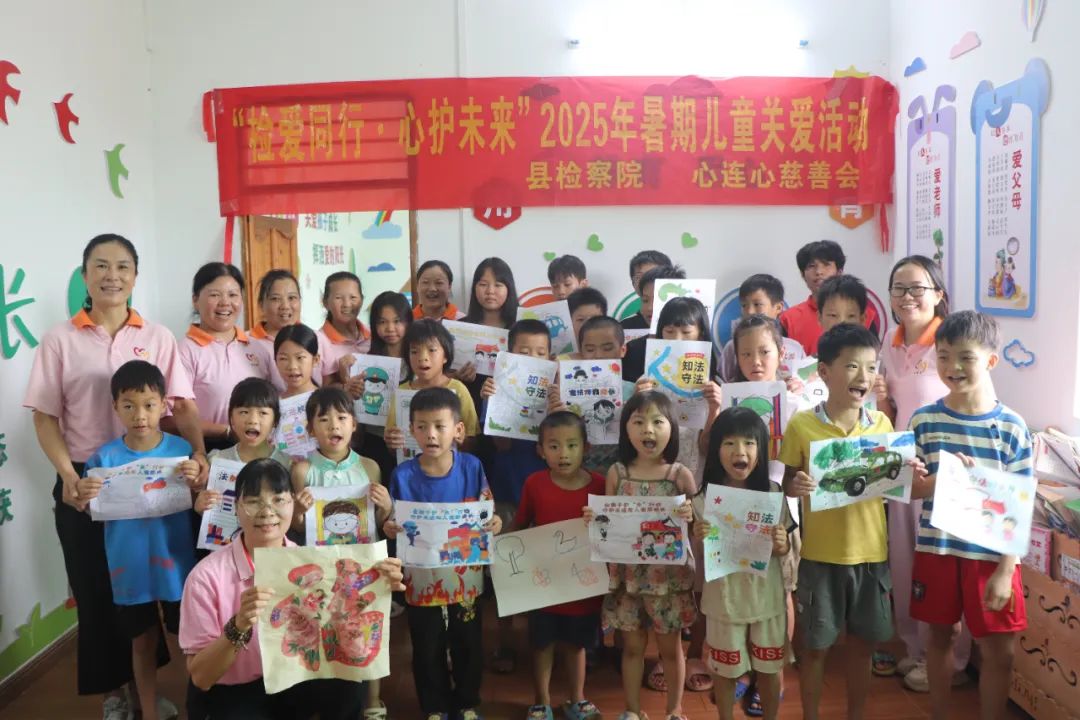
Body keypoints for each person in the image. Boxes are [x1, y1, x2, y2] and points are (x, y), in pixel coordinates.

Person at [24, 233, 206, 720]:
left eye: (122, 266)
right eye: (100, 266)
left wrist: (200, 454)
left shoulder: (159, 336)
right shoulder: (60, 339)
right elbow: (44, 416)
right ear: (84, 275)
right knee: (98, 592)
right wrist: (68, 476)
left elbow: (183, 406)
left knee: (157, 588)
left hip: (155, 478)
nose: (112, 275)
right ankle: (119, 694)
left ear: (135, 276)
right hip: (88, 481)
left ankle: (153, 690)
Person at [180, 458, 405, 719]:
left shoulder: (312, 565)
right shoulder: (206, 577)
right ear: (237, 508)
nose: (267, 511)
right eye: (253, 501)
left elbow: (343, 616)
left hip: (293, 678)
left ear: (293, 503)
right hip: (235, 689)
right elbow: (201, 678)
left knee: (351, 681)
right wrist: (238, 626)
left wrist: (378, 582)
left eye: (278, 500)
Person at [781, 323, 924, 720]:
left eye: (871, 366)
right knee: (815, 649)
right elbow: (787, 481)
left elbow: (896, 482)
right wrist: (796, 484)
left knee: (862, 649)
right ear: (824, 372)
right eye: (851, 366)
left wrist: (909, 469)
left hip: (871, 556)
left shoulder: (881, 426)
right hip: (819, 557)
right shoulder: (802, 425)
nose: (864, 376)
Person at [907, 311, 1030, 720]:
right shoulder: (924, 420)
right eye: (943, 356)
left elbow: (1019, 506)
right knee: (940, 637)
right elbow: (909, 489)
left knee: (1000, 651)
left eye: (965, 357)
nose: (952, 367)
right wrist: (942, 478)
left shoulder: (1012, 427)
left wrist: (1005, 570)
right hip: (937, 548)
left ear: (991, 361)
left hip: (992, 556)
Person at [75, 361, 200, 720]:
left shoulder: (181, 450)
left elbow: (199, 501)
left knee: (190, 638)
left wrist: (196, 479)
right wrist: (84, 495)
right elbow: (90, 509)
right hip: (129, 568)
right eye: (129, 405)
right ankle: (148, 711)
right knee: (142, 641)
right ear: (115, 407)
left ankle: (199, 706)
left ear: (164, 405)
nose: (140, 415)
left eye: (149, 405)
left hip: (177, 563)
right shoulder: (104, 459)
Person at [872, 256, 968, 690]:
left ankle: (951, 660)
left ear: (938, 294)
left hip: (943, 468)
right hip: (900, 465)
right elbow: (891, 412)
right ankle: (916, 648)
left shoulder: (950, 342)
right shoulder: (887, 344)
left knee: (942, 562)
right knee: (905, 560)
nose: (907, 297)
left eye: (917, 288)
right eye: (899, 288)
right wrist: (880, 399)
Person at [383, 388, 503, 720]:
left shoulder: (471, 467)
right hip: (421, 577)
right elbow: (392, 520)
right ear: (412, 429)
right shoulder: (403, 475)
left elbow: (486, 512)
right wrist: (390, 527)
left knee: (468, 641)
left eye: (439, 426)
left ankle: (466, 702)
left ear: (458, 430)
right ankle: (434, 706)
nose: (431, 434)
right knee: (426, 643)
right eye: (422, 427)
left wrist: (494, 522)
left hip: (465, 576)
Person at [584, 391, 697, 720]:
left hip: (668, 579)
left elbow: (699, 523)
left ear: (672, 428)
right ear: (626, 429)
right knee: (632, 647)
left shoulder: (679, 474)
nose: (648, 429)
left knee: (670, 649)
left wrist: (691, 514)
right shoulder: (618, 473)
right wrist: (595, 518)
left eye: (658, 422)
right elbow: (608, 523)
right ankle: (632, 710)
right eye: (639, 422)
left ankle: (674, 710)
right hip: (628, 576)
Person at [287, 387, 393, 719]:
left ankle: (373, 699)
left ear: (354, 425)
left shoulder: (370, 467)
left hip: (363, 565)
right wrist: (298, 511)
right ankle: (329, 691)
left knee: (368, 627)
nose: (334, 425)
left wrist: (386, 507)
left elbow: (379, 523)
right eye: (323, 419)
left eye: (342, 418)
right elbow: (296, 528)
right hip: (321, 567)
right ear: (310, 428)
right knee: (325, 627)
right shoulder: (303, 471)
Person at [692, 408, 792, 720]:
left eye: (749, 443)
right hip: (724, 601)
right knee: (725, 672)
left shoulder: (773, 493)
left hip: (767, 599)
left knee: (770, 669)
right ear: (715, 449)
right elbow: (700, 556)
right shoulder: (703, 499)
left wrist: (782, 544)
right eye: (729, 443)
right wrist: (697, 536)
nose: (740, 451)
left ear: (761, 449)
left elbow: (785, 547)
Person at [515, 412, 605, 720]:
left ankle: (576, 698)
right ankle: (541, 700)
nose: (563, 453)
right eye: (554, 446)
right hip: (544, 582)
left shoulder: (600, 486)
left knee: (577, 644)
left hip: (583, 583)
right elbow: (520, 525)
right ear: (540, 450)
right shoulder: (535, 483)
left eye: (572, 445)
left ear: (586, 448)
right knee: (542, 643)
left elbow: (611, 530)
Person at [479, 318, 551, 674]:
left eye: (541, 352)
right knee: (506, 568)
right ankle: (505, 642)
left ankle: (543, 641)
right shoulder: (496, 389)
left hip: (546, 491)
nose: (533, 359)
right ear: (509, 355)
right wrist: (495, 401)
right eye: (524, 352)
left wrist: (557, 407)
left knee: (543, 567)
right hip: (507, 491)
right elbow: (500, 443)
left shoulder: (557, 392)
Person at [180, 262, 269, 450]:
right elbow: (173, 416)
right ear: (195, 300)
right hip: (207, 447)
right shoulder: (185, 350)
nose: (225, 303)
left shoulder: (257, 347)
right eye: (215, 295)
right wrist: (227, 431)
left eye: (233, 295)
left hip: (258, 446)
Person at [193, 378, 293, 514]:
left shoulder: (287, 464)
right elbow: (208, 513)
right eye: (244, 412)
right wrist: (200, 506)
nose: (252, 420)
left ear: (275, 420)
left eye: (263, 413)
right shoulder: (216, 460)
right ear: (231, 418)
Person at [384, 319, 480, 452]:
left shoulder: (459, 390)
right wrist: (391, 442)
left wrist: (462, 439)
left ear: (445, 356)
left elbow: (472, 439)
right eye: (414, 351)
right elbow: (392, 445)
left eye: (432, 350)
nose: (422, 358)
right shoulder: (401, 392)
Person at [779, 240, 880, 355]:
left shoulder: (865, 315)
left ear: (839, 271)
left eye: (826, 264)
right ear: (803, 275)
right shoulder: (788, 319)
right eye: (811, 266)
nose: (819, 272)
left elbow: (874, 356)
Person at [718, 274, 805, 382]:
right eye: (744, 305)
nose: (750, 311)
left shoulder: (794, 348)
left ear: (778, 307)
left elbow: (804, 382)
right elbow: (724, 384)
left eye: (757, 304)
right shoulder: (731, 348)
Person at [249, 270, 324, 391]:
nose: (285, 306)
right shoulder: (246, 343)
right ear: (261, 304)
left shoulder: (318, 338)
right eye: (275, 299)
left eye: (292, 298)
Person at [620, 265, 687, 382]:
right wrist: (634, 391)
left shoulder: (700, 347)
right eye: (645, 300)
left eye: (659, 300)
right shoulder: (633, 350)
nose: (649, 308)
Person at [317, 271, 372, 385]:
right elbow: (316, 388)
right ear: (325, 303)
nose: (346, 304)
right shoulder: (318, 341)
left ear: (362, 300)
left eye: (353, 297)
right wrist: (342, 381)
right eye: (338, 298)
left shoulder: (374, 334)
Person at [621, 250, 672, 330]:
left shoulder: (686, 320)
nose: (646, 281)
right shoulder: (624, 327)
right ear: (633, 283)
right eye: (640, 276)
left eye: (654, 275)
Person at [565, 287, 608, 359]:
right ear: (569, 322)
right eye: (581, 319)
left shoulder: (614, 354)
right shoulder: (557, 360)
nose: (587, 325)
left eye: (595, 319)